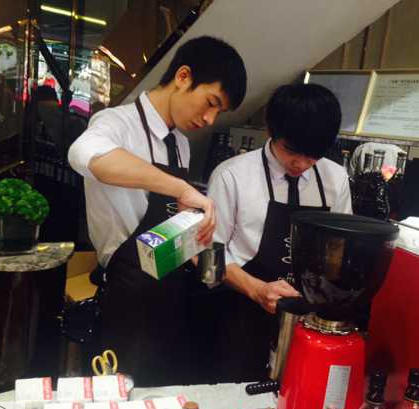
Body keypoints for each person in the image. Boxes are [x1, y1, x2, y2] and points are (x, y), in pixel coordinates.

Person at [68, 36, 247, 386]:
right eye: (211, 103)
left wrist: (201, 245)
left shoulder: (180, 144)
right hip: (127, 301)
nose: (209, 119)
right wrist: (181, 188)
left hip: (171, 299)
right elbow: (84, 153)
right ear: (183, 76)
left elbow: (171, 229)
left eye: (219, 113)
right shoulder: (116, 123)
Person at [206, 84, 352, 382]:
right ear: (271, 130)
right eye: (291, 151)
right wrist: (257, 289)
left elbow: (339, 247)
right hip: (241, 315)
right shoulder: (232, 175)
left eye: (313, 156)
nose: (301, 164)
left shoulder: (335, 178)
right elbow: (208, 255)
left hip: (307, 321)